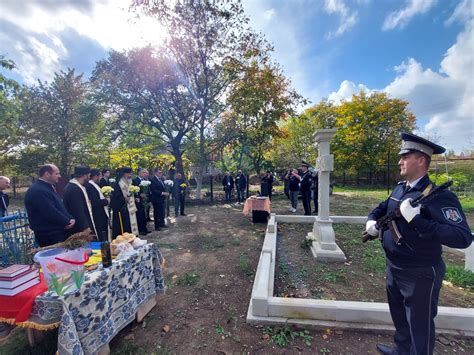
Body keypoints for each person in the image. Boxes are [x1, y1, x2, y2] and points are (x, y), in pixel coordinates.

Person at [365, 133, 472, 355]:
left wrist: (418, 221)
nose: (400, 161)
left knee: (419, 325)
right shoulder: (400, 188)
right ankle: (402, 349)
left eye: (405, 156)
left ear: (421, 160)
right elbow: (382, 207)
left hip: (420, 271)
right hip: (395, 266)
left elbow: (462, 237)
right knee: (400, 316)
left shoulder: (438, 196)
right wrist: (372, 221)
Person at [24, 164, 75, 247]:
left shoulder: (47, 187)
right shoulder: (38, 190)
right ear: (47, 174)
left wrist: (70, 218)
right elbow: (49, 211)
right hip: (49, 234)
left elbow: (59, 206)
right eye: (57, 173)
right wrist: (67, 222)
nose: (59, 176)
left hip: (56, 232)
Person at [63, 166, 96, 237]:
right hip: (79, 230)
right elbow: (78, 210)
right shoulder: (74, 189)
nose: (90, 177)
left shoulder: (76, 186)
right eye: (89, 175)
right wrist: (85, 227)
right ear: (85, 175)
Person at [110, 167, 139, 238]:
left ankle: (130, 237)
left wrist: (133, 198)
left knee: (128, 225)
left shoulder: (128, 182)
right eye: (129, 173)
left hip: (128, 209)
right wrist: (124, 199)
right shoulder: (118, 183)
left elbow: (129, 194)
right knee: (122, 227)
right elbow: (115, 197)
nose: (130, 175)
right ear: (124, 174)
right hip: (121, 210)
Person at [85, 169, 110, 241]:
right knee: (101, 234)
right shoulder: (90, 186)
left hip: (101, 214)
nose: (100, 178)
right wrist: (106, 201)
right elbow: (95, 202)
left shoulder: (95, 185)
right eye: (100, 176)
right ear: (96, 176)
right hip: (98, 215)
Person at [132, 168, 150, 235]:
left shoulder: (145, 180)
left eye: (145, 172)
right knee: (139, 215)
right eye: (143, 172)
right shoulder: (135, 180)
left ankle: (144, 228)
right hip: (138, 200)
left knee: (144, 214)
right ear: (139, 173)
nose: (144, 174)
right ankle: (140, 229)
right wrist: (139, 195)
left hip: (145, 200)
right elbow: (133, 190)